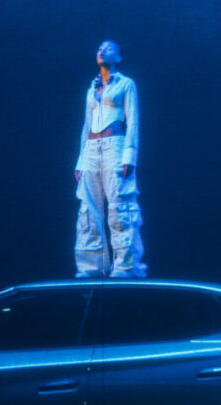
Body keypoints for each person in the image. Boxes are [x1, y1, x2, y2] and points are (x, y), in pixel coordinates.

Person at [74, 41, 147, 278]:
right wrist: (80, 160)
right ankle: (91, 267)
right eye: (99, 48)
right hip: (92, 149)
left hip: (115, 145)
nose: (101, 50)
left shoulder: (126, 84)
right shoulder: (91, 88)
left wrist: (130, 156)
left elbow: (133, 120)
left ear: (118, 56)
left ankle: (126, 266)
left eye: (108, 48)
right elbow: (86, 124)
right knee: (89, 208)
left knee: (120, 207)